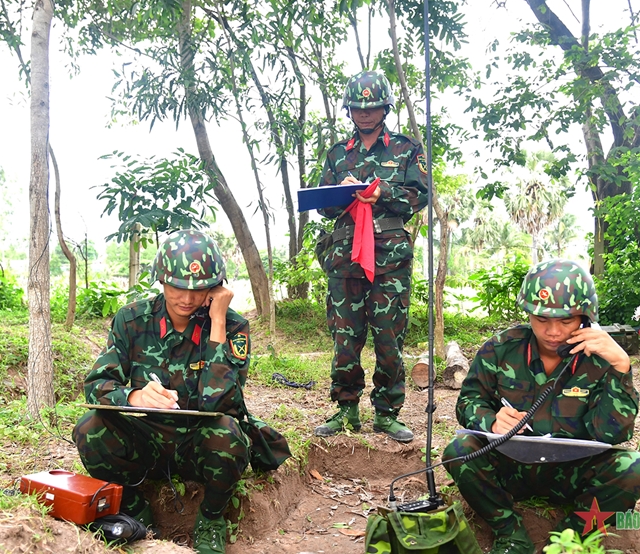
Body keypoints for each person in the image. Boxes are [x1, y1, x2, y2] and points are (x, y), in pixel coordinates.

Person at [72, 229, 290, 554]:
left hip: (198, 445)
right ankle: (135, 508)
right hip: (143, 440)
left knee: (229, 435)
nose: (187, 299)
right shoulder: (131, 321)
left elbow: (220, 401)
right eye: (177, 287)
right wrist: (133, 397)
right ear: (161, 279)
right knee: (90, 429)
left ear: (216, 288)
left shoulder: (232, 327)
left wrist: (216, 323)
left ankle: (211, 519)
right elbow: (97, 385)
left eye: (199, 289)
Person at [442, 259, 640, 554]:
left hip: (573, 472)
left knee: (633, 468)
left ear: (585, 317)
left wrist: (620, 366)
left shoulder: (603, 358)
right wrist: (490, 420)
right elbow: (468, 401)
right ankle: (510, 533)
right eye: (541, 320)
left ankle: (571, 540)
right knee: (459, 449)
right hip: (510, 466)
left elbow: (611, 434)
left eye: (566, 320)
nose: (553, 332)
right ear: (528, 314)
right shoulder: (501, 348)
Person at [313, 70, 429, 443]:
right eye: (358, 108)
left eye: (373, 108)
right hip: (345, 257)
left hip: (389, 259)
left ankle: (387, 413)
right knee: (345, 339)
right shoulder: (336, 154)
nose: (365, 114)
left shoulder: (407, 149)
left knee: (388, 338)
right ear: (349, 110)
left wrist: (383, 193)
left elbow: (420, 195)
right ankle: (346, 409)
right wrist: (341, 194)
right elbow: (322, 206)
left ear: (385, 109)